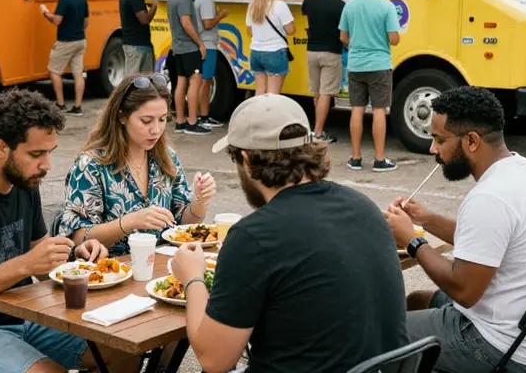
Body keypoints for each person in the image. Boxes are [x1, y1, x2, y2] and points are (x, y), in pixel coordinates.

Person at [171, 94, 409, 373]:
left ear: (246, 160)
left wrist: (193, 278)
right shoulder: (364, 206)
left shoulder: (254, 236)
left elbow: (214, 360)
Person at [0, 87, 138, 373]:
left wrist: (76, 260)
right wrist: (23, 266)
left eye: (49, 152)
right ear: (0, 147)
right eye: (36, 154)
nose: (46, 165)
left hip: (25, 317)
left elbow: (42, 259)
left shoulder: (24, 181)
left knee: (122, 349)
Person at [385, 87, 526, 373]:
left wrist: (412, 240)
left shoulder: (489, 197)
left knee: (380, 332)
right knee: (416, 301)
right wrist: (424, 218)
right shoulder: (525, 170)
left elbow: (463, 290)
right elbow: (485, 243)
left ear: (472, 141)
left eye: (440, 140)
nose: (433, 149)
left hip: (501, 346)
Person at [60, 74, 216, 256]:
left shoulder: (166, 156)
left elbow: (181, 226)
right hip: (110, 273)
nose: (156, 130)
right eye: (146, 121)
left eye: (163, 119)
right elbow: (75, 238)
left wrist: (199, 200)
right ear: (122, 117)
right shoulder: (92, 165)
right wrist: (129, 222)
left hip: (161, 271)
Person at [339, 0, 400, 172]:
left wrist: (356, 45)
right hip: (380, 64)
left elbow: (343, 37)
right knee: (379, 110)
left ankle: (355, 158)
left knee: (356, 109)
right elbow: (394, 39)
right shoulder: (387, 7)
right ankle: (379, 159)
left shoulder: (350, 6)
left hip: (355, 64)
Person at [301, 0, 344, 144]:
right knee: (326, 93)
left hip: (311, 51)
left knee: (316, 92)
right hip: (331, 52)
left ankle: (316, 130)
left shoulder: (309, 1)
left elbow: (301, 8)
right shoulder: (339, 5)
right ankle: (318, 132)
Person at [167, 0, 210, 135]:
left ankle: (180, 121)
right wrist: (200, 43)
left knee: (181, 82)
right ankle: (192, 122)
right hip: (188, 46)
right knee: (195, 80)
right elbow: (186, 23)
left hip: (177, 46)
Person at [41, 0, 89, 115]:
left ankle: (60, 104)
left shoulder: (65, 0)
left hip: (65, 41)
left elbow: (57, 20)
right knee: (78, 74)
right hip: (81, 40)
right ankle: (77, 107)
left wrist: (45, 12)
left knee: (54, 71)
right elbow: (86, 23)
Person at [246, 0, 295, 96]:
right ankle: (270, 116)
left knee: (260, 91)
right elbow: (290, 30)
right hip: (275, 52)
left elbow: (249, 31)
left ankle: (257, 115)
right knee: (273, 94)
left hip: (255, 52)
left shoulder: (252, 5)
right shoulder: (280, 5)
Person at [191, 0, 227, 129]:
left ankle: (203, 115)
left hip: (204, 43)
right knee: (206, 82)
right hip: (208, 43)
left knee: (205, 81)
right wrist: (221, 15)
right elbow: (207, 24)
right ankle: (203, 116)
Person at [119, 0, 157, 75]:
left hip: (138, 44)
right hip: (136, 46)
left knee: (143, 82)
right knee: (134, 81)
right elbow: (144, 20)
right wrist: (154, 7)